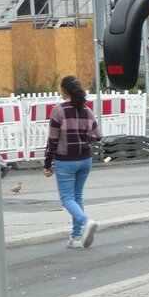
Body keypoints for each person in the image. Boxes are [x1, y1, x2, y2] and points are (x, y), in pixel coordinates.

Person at [43, 75, 103, 249]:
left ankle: (86, 221)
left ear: (63, 90)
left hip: (66, 160)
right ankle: (76, 237)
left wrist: (47, 164)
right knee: (77, 197)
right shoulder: (87, 110)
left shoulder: (59, 110)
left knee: (67, 198)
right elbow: (97, 136)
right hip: (85, 159)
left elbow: (52, 139)